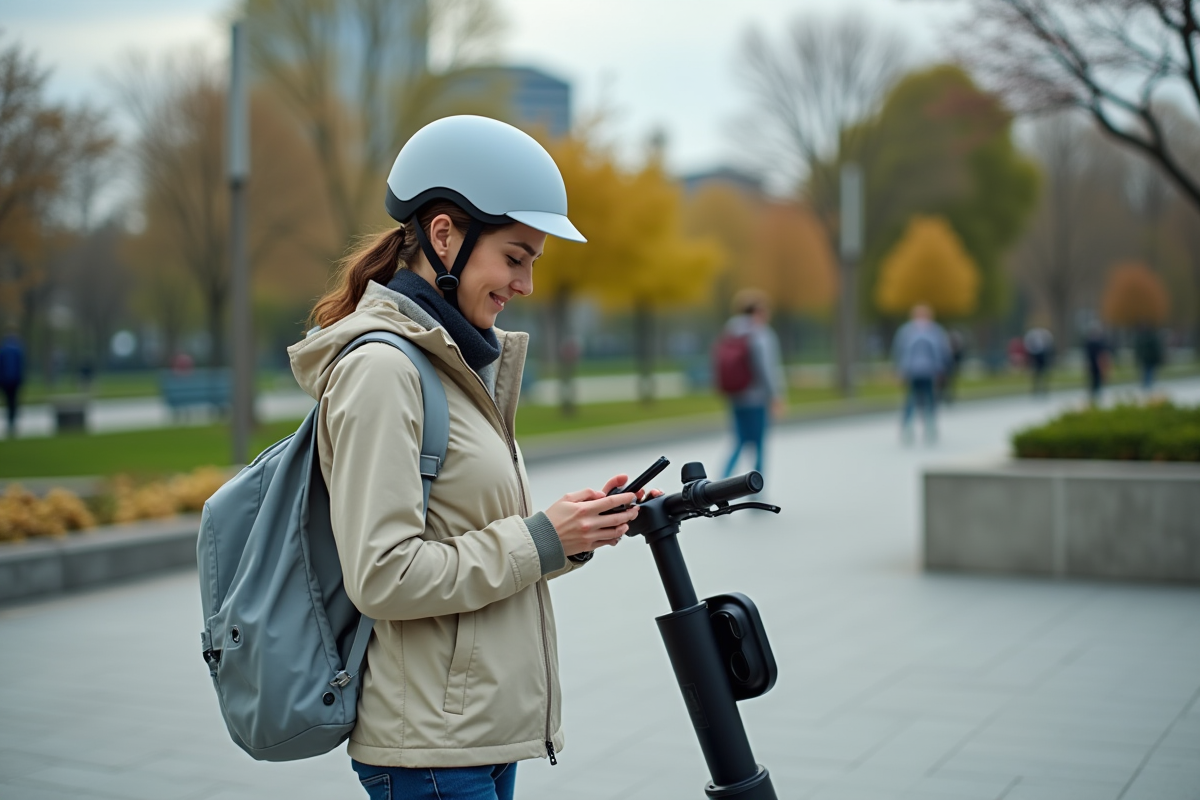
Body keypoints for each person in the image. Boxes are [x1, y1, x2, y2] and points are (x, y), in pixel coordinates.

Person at [287, 115, 657, 800]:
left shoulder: (455, 366)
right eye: (515, 258)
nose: (526, 285)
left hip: (475, 736)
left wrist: (573, 533)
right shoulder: (383, 371)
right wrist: (541, 538)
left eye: (532, 264)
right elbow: (384, 574)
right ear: (445, 235)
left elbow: (473, 540)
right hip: (429, 750)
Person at [719, 288, 786, 479]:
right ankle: (757, 487)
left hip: (736, 396)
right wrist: (776, 395)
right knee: (759, 444)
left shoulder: (731, 331)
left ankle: (720, 483)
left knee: (739, 441)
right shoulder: (761, 333)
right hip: (756, 398)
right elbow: (767, 368)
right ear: (758, 311)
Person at [892, 304, 951, 443]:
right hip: (924, 371)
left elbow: (899, 351)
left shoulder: (908, 331)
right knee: (924, 399)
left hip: (916, 370)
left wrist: (900, 369)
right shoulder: (934, 331)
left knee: (916, 399)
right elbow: (942, 352)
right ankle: (926, 426)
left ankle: (914, 426)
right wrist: (941, 369)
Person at [0, 329, 25, 438]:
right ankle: (13, 423)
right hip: (15, 380)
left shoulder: (3, 350)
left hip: (5, 380)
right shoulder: (18, 349)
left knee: (8, 401)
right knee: (14, 401)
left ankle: (10, 422)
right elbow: (21, 366)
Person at [1083, 321, 1111, 406]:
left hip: (1097, 364)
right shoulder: (1093, 343)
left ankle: (1096, 394)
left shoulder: (1096, 342)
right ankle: (1094, 394)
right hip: (1094, 364)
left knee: (1096, 379)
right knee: (1094, 380)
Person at [1023, 327, 1054, 397]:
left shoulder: (1045, 333)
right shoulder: (1031, 334)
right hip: (1035, 354)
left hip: (1043, 354)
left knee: (1044, 372)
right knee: (1035, 372)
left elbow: (1049, 343)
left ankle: (1044, 387)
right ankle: (1035, 388)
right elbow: (1028, 344)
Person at [1133, 325, 1163, 391]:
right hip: (1150, 359)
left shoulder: (1143, 339)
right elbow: (1156, 350)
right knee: (1149, 372)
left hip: (1146, 359)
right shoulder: (1152, 339)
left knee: (1146, 371)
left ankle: (1146, 385)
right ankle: (1148, 385)